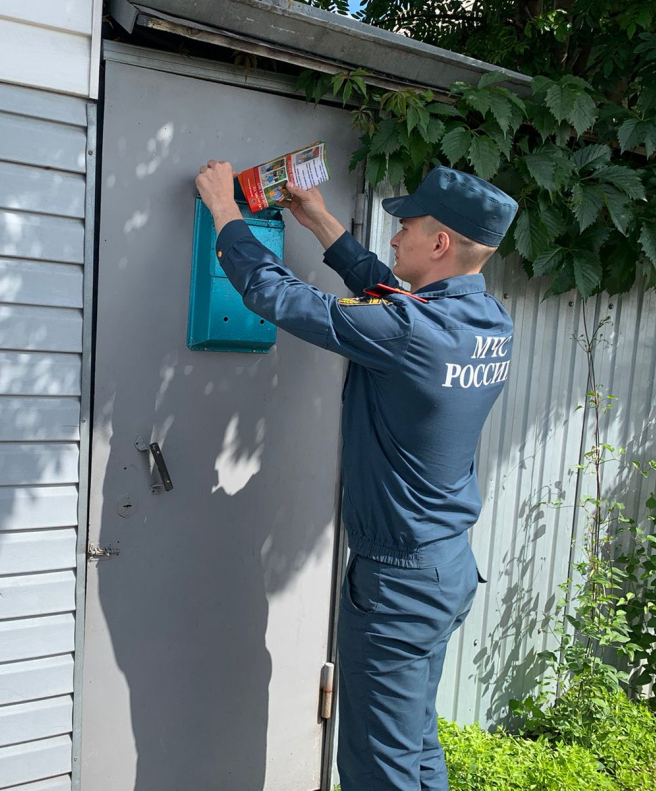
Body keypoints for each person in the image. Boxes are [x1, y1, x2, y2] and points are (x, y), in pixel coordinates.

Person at [194, 161, 519, 791]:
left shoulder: (412, 333)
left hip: (397, 585)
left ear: (440, 243)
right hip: (445, 570)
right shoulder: (484, 323)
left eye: (405, 228)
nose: (393, 239)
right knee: (415, 747)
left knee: (377, 769)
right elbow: (389, 296)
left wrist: (225, 214)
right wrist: (318, 220)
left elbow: (278, 297)